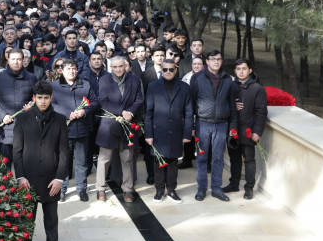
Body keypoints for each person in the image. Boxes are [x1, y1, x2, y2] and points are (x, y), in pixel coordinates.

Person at [13, 80, 69, 241]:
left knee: (51, 221)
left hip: (51, 180)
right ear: (34, 98)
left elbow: (64, 152)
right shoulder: (22, 119)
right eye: (40, 98)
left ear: (51, 98)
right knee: (27, 221)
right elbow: (17, 151)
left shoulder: (60, 120)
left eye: (46, 98)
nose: (43, 101)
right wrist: (20, 177)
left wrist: (59, 178)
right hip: (28, 180)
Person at [189, 50, 238, 202]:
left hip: (222, 123)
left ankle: (216, 188)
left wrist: (233, 126)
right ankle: (202, 188)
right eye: (213, 59)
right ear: (207, 61)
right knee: (202, 157)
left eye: (219, 59)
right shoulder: (197, 78)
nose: (216, 62)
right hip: (203, 122)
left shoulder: (228, 79)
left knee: (218, 158)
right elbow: (191, 102)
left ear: (222, 61)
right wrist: (191, 125)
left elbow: (232, 104)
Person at [94, 56, 143, 203]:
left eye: (120, 66)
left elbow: (139, 99)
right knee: (104, 158)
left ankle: (128, 189)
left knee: (127, 159)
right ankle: (100, 188)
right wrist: (121, 112)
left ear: (125, 66)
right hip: (109, 123)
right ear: (111, 68)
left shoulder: (134, 80)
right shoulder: (104, 80)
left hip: (128, 123)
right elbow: (103, 102)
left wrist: (130, 112)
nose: (118, 69)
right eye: (114, 67)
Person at [144, 59, 193, 203]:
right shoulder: (153, 86)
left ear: (176, 70)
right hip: (158, 129)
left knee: (173, 161)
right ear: (161, 70)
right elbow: (148, 112)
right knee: (158, 160)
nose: (168, 72)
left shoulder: (184, 87)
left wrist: (187, 133)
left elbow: (189, 112)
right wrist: (148, 134)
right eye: (165, 69)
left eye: (171, 69)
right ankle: (159, 190)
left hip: (176, 129)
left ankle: (171, 190)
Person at [51, 59, 100, 202]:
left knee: (81, 161)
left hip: (82, 128)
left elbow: (95, 102)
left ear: (77, 70)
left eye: (74, 68)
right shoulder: (54, 86)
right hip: (63, 129)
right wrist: (67, 113)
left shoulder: (85, 84)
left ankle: (81, 189)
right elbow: (51, 104)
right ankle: (62, 189)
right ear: (62, 70)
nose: (71, 71)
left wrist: (84, 111)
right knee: (63, 161)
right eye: (68, 69)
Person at [224, 59, 267, 200]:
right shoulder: (231, 86)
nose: (241, 71)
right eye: (238, 69)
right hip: (233, 129)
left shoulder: (257, 88)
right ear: (235, 71)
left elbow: (261, 112)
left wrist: (257, 132)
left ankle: (249, 188)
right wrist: (232, 104)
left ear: (250, 70)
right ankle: (234, 184)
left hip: (248, 130)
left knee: (249, 160)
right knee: (234, 159)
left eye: (244, 69)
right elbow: (223, 103)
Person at [0, 48, 37, 162]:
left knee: (26, 164)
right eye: (13, 59)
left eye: (19, 59)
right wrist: (2, 115)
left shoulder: (31, 78)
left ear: (23, 60)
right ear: (8, 60)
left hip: (26, 128)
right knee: (6, 165)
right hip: (6, 128)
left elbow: (38, 98)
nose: (16, 62)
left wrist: (32, 107)